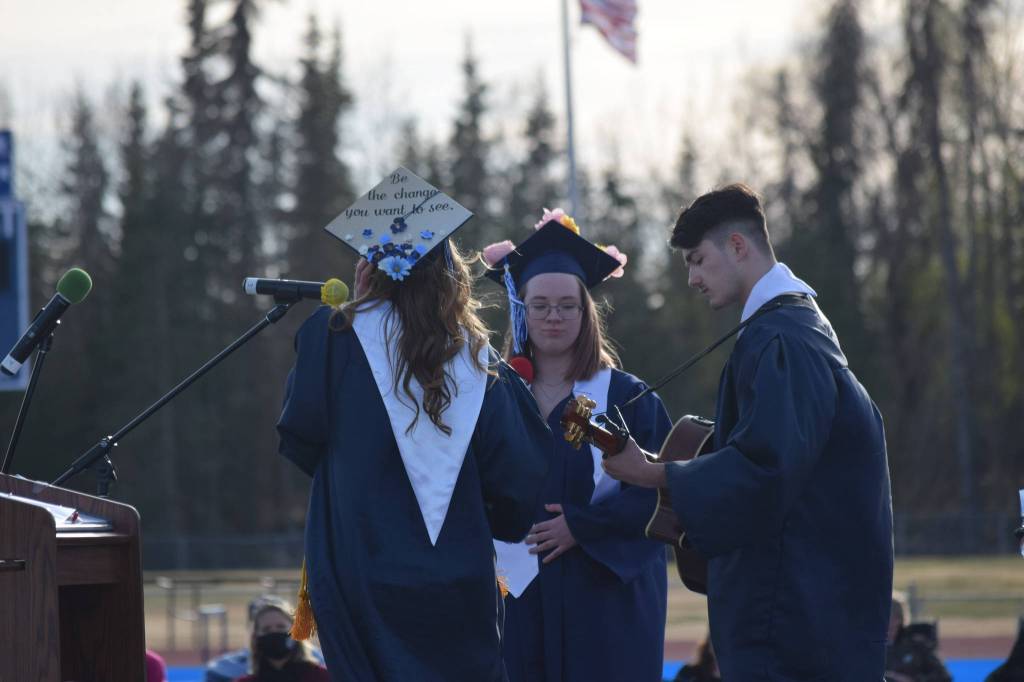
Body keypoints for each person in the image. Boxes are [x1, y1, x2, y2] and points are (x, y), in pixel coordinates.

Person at [602, 183, 894, 680]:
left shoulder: (781, 338)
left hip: (794, 618)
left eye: (697, 259)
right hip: (812, 605)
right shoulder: (801, 326)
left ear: (737, 246)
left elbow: (767, 467)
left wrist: (654, 475)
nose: (692, 278)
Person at [277, 214, 551, 681]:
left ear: (371, 271)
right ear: (451, 277)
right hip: (458, 583)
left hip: (358, 570)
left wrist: (358, 311)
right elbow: (517, 486)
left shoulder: (334, 337)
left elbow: (302, 438)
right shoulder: (481, 361)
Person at [483, 208, 671, 682]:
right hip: (515, 596)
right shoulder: (493, 395)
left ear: (585, 312)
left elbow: (663, 492)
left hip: (603, 597)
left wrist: (583, 527)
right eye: (540, 305)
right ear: (520, 309)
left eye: (567, 305)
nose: (553, 317)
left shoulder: (629, 396)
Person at [205, 596, 325, 682]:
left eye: (281, 627)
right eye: (266, 629)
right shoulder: (233, 673)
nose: (274, 633)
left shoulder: (323, 676)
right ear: (255, 637)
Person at [884, 592, 952, 682]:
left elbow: (943, 677)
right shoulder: (872, 647)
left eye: (886, 616)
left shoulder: (917, 645)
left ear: (898, 619)